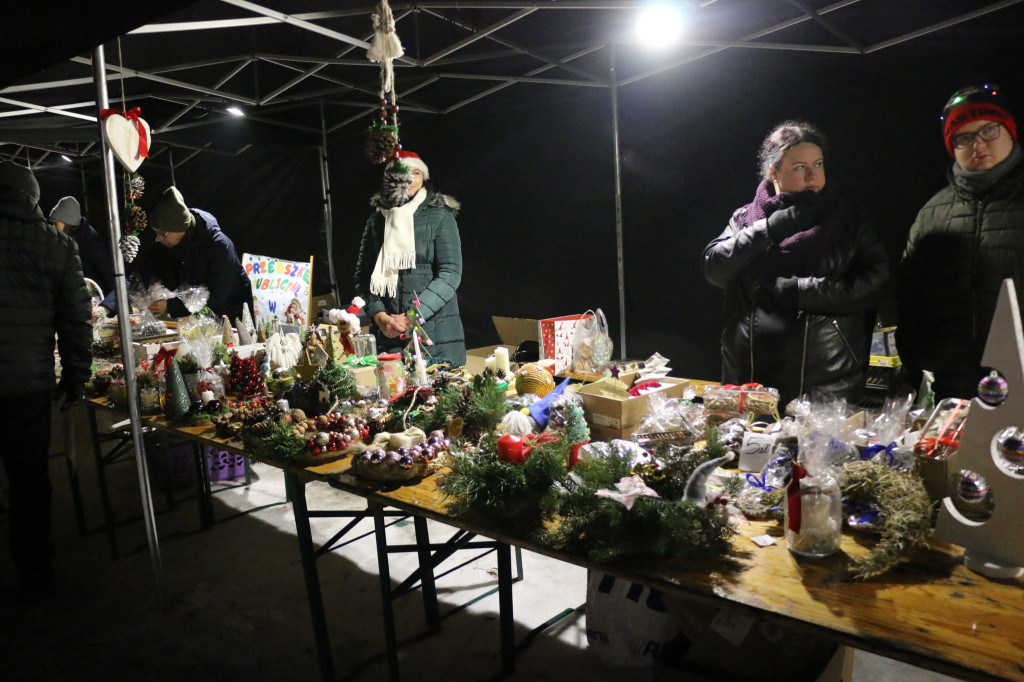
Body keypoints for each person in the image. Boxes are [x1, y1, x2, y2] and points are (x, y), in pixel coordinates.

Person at [703, 121, 888, 408]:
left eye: (818, 164)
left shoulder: (849, 219)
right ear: (773, 170)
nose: (813, 175)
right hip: (750, 384)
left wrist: (801, 292)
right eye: (800, 167)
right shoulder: (746, 218)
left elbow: (875, 283)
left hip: (825, 386)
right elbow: (715, 269)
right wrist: (770, 229)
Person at [898, 83, 1024, 400]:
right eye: (963, 137)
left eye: (989, 131)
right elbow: (911, 302)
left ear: (1010, 131)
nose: (977, 144)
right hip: (954, 388)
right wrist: (910, 370)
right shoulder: (931, 214)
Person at [0, 162, 92, 593]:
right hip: (26, 386)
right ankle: (34, 571)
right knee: (29, 480)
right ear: (34, 198)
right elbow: (76, 321)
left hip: (24, 382)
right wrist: (77, 376)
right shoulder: (54, 245)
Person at [354, 151, 466, 366]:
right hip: (388, 333)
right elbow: (363, 276)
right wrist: (379, 315)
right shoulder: (377, 220)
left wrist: (411, 316)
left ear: (424, 177)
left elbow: (450, 274)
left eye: (417, 173)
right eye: (404, 173)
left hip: (435, 332)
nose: (411, 179)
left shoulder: (440, 216)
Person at [111, 186, 252, 321]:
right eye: (156, 233)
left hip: (232, 317)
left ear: (182, 228)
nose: (158, 239)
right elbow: (140, 276)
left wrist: (172, 306)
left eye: (163, 233)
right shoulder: (164, 245)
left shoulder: (219, 246)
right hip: (195, 319)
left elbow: (218, 296)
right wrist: (108, 305)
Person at [49, 195, 115, 297]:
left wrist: (106, 306)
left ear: (67, 223)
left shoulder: (89, 241)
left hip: (95, 300)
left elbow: (107, 274)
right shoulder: (67, 242)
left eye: (55, 223)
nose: (53, 228)